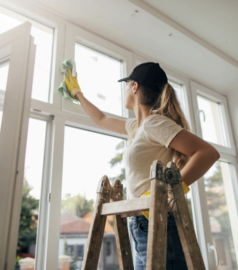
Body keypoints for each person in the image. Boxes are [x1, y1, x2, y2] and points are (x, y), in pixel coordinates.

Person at [64, 62, 220, 270]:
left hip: (159, 220)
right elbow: (101, 118)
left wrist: (170, 192)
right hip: (141, 223)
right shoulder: (136, 127)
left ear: (135, 87)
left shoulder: (155, 123)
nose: (125, 89)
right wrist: (77, 93)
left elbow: (208, 153)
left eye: (127, 84)